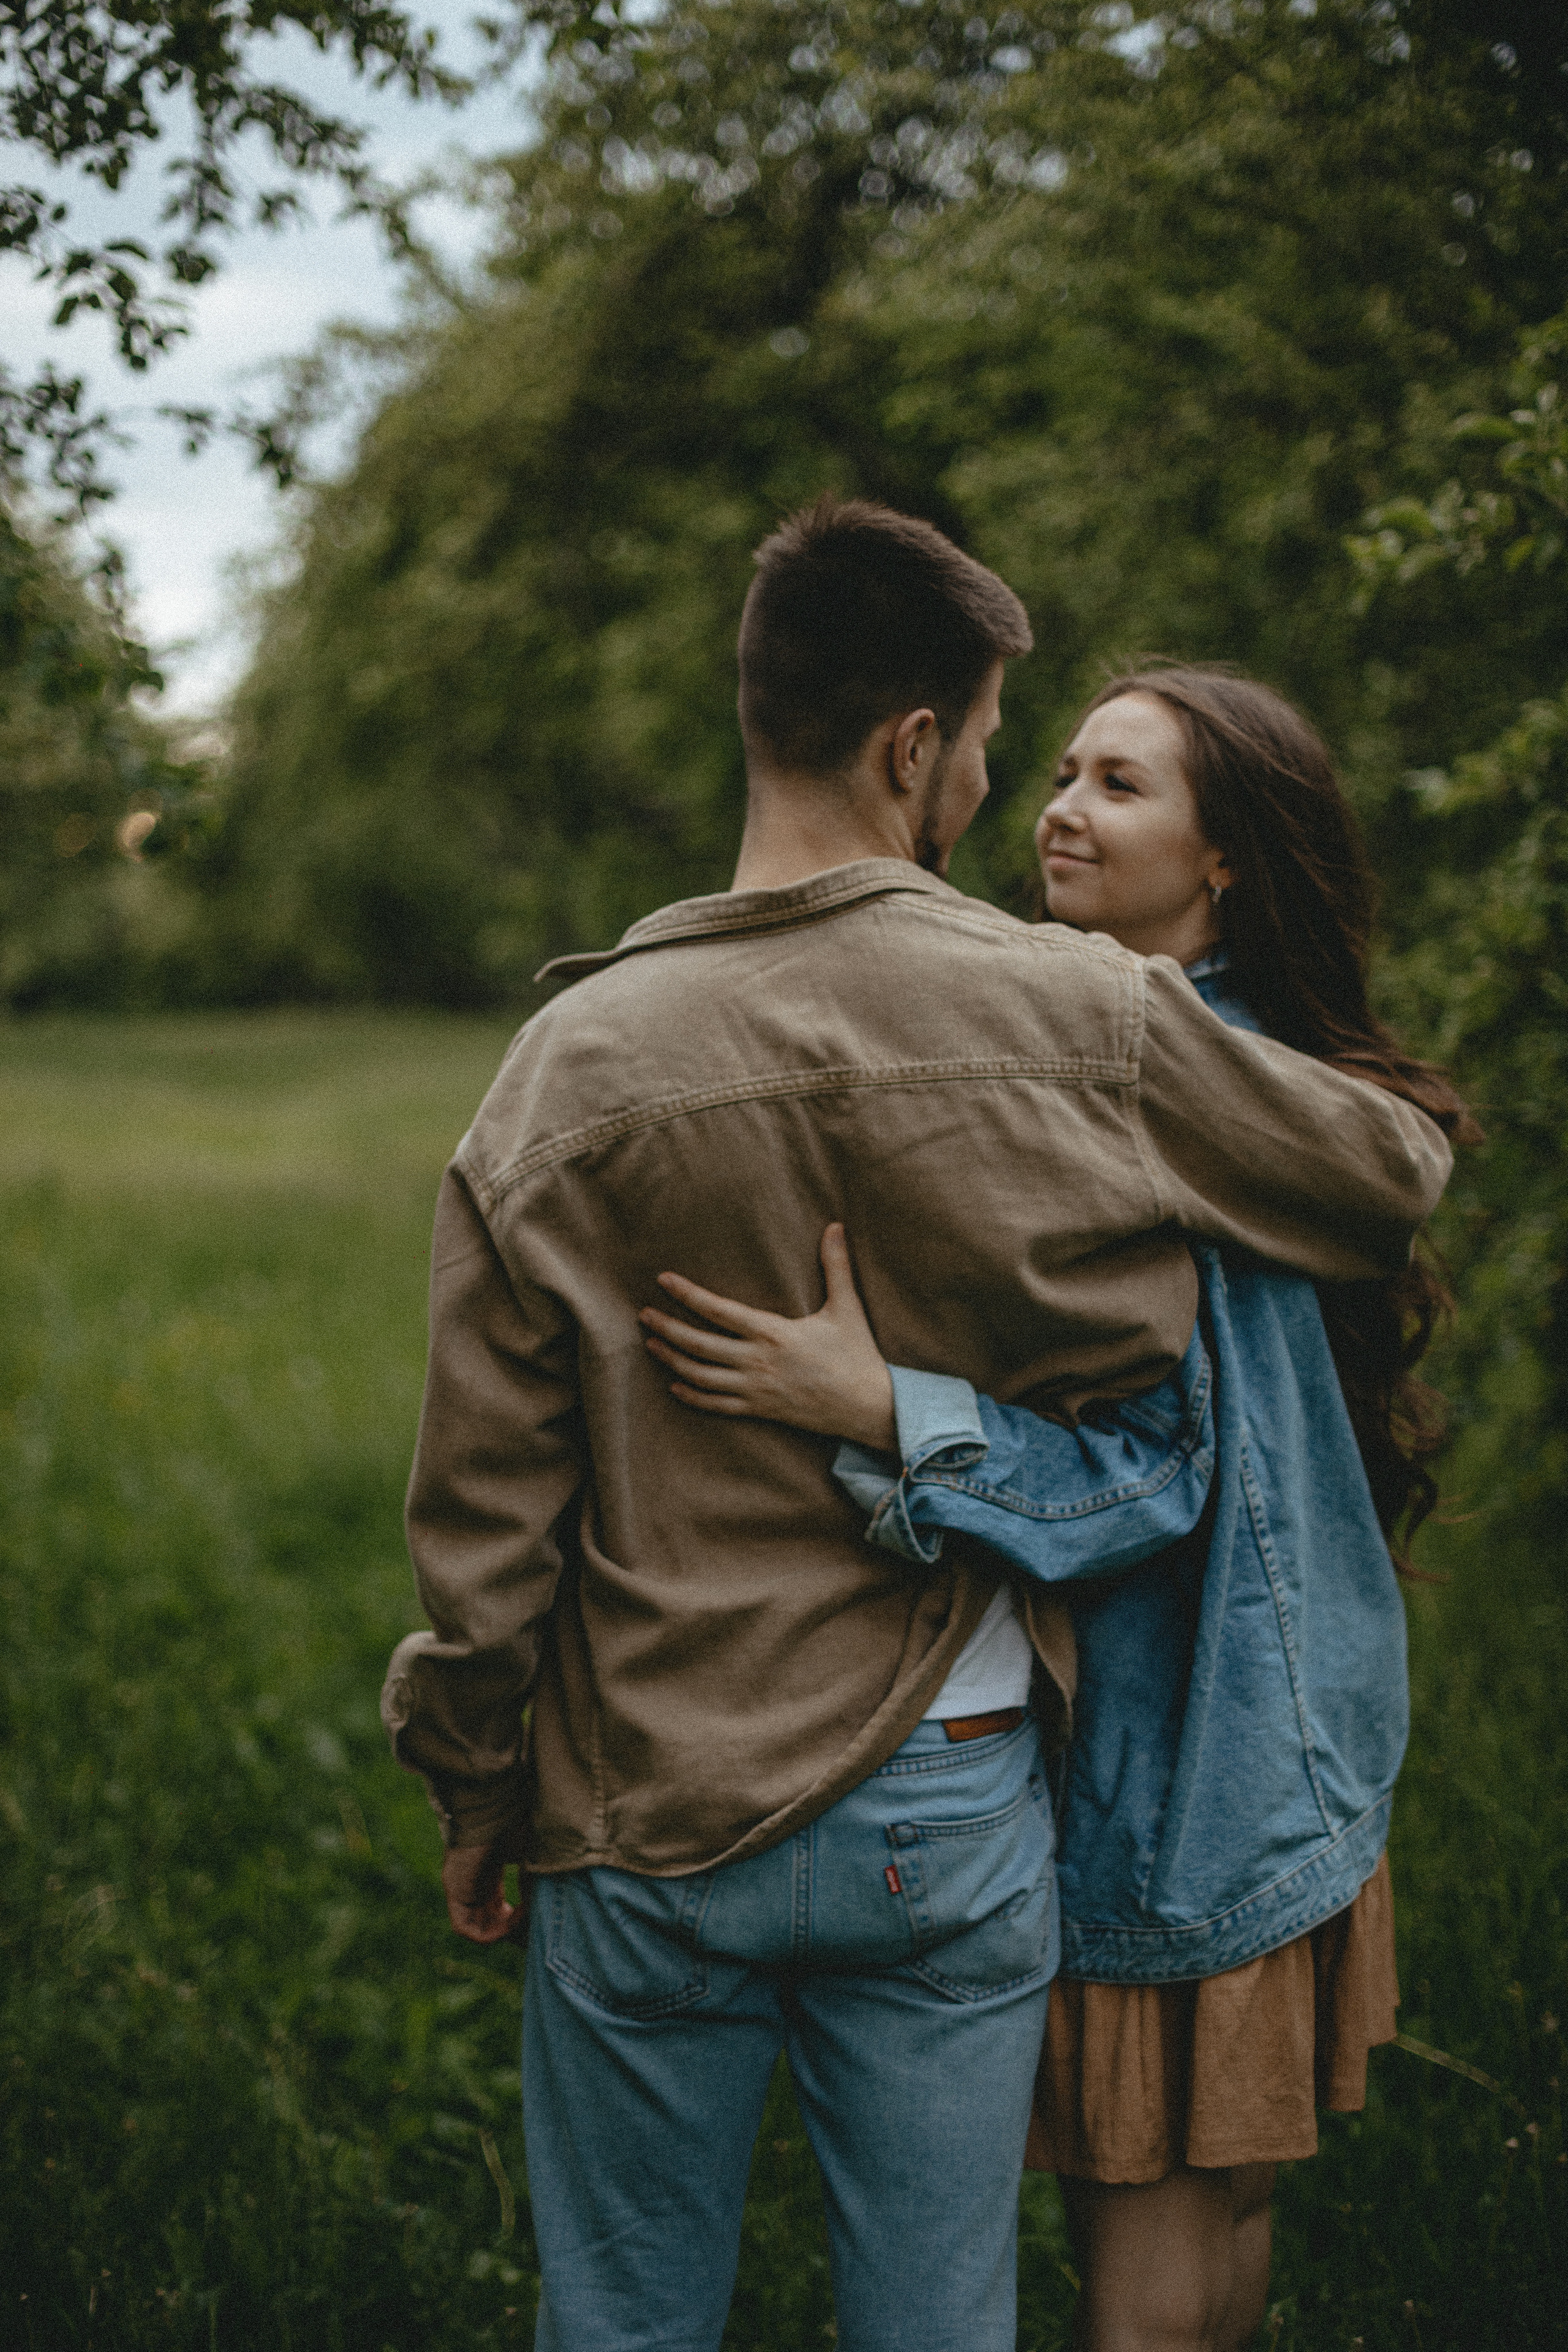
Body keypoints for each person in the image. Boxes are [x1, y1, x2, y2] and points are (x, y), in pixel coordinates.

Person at [382, 500, 1452, 2352]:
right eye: (987, 744)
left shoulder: (559, 1072)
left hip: (644, 1798)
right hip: (947, 1794)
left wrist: (480, 1785)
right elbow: (1383, 1175)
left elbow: (488, 1516)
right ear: (912, 751)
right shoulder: (1085, 1017)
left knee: (621, 2322)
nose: (1001, 790)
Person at [640, 666, 1475, 2352]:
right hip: (1290, 1731)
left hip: (1178, 1759)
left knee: (1153, 2264)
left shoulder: (1158, 1094)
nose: (1064, 810)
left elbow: (1152, 1483)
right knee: (1223, 2215)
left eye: (1122, 786)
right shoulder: (1256, 1070)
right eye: (1066, 771)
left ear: (1224, 857)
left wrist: (884, 1410)